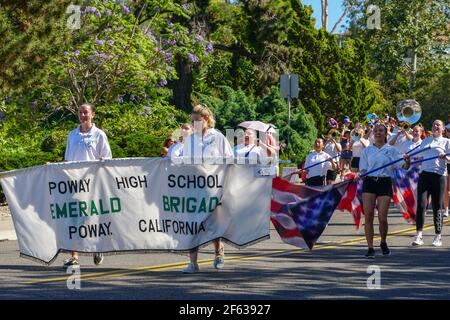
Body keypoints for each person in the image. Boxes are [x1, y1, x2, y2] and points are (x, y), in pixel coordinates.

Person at [181, 104, 233, 274]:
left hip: (212, 187)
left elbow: (229, 159)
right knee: (192, 224)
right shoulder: (190, 139)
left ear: (206, 119)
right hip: (192, 186)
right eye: (192, 120)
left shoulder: (217, 137)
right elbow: (183, 160)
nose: (194, 123)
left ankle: (218, 251)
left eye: (196, 120)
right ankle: (192, 263)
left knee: (212, 223)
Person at [63, 103, 112, 267]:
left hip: (93, 184)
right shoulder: (72, 135)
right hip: (75, 184)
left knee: (92, 218)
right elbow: (67, 161)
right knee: (74, 219)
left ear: (92, 114)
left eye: (86, 112)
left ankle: (97, 247)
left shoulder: (99, 135)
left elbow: (107, 160)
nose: (83, 115)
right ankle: (74, 257)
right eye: (80, 112)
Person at [357, 122, 409, 258]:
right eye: (376, 130)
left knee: (382, 218)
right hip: (369, 182)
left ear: (386, 134)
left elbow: (404, 166)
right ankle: (370, 248)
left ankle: (383, 242)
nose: (378, 132)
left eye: (381, 131)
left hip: (384, 183)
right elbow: (363, 169)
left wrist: (407, 161)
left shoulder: (392, 150)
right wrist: (358, 174)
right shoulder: (367, 150)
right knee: (368, 216)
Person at [406, 120, 450, 247]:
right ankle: (419, 235)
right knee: (421, 204)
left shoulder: (447, 142)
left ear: (442, 129)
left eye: (438, 125)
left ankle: (438, 236)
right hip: (424, 174)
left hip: (439, 175)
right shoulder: (425, 141)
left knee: (437, 206)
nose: (436, 126)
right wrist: (409, 159)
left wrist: (445, 158)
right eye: (434, 124)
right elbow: (420, 159)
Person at [444, 123, 450, 217]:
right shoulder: (444, 141)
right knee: (447, 189)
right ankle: (446, 209)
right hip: (447, 165)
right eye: (448, 130)